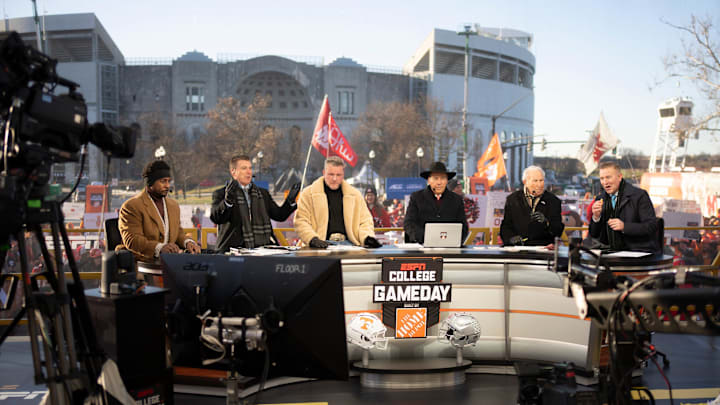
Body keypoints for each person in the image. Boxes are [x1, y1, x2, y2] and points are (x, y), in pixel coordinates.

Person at [211, 155, 300, 252]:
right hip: (232, 251)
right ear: (233, 172)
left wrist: (290, 200)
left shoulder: (262, 193)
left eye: (250, 168)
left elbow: (279, 215)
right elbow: (216, 218)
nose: (249, 171)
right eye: (244, 168)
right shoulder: (221, 194)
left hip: (262, 250)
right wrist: (227, 202)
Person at [117, 160, 200, 263]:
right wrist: (159, 248)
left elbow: (177, 233)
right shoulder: (131, 206)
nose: (167, 185)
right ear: (150, 182)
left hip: (170, 264)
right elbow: (132, 240)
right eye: (163, 181)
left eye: (168, 181)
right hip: (142, 264)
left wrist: (187, 242)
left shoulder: (173, 206)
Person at [294, 156, 381, 248]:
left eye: (338, 175)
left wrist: (367, 238)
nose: (334, 178)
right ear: (324, 173)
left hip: (350, 245)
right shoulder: (308, 194)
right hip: (318, 245)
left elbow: (365, 221)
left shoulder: (355, 195)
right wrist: (312, 239)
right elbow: (301, 221)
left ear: (343, 175)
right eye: (331, 174)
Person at [589, 161, 659, 252]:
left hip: (636, 252)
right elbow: (594, 234)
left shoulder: (639, 195)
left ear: (619, 177)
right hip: (608, 252)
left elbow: (651, 226)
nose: (605, 182)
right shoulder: (600, 198)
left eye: (608, 177)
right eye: (602, 178)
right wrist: (596, 217)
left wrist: (624, 227)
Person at [403, 162, 469, 244]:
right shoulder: (416, 197)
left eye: (442, 178)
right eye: (435, 178)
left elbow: (463, 227)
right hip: (421, 246)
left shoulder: (457, 200)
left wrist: (452, 240)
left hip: (449, 247)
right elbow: (408, 223)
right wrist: (426, 237)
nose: (439, 182)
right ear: (429, 180)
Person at [500, 165, 564, 247]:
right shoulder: (512, 200)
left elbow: (558, 230)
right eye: (535, 181)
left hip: (543, 249)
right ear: (525, 182)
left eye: (541, 180)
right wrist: (510, 238)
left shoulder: (554, 201)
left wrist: (547, 223)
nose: (539, 184)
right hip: (518, 249)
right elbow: (506, 226)